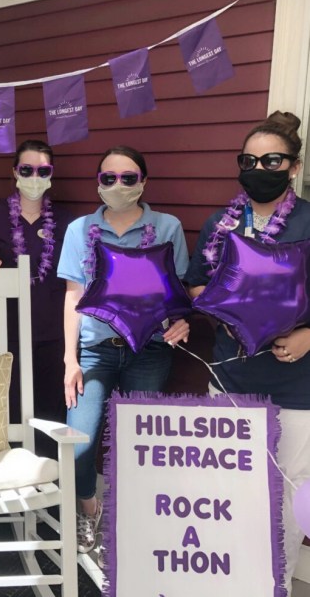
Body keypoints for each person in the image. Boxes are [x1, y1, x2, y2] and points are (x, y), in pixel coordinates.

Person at [185, 111, 310, 595]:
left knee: (292, 485)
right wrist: (227, 313)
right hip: (230, 375)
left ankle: (274, 580)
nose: (260, 168)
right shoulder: (221, 222)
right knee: (229, 482)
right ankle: (230, 577)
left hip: (295, 379)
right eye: (249, 160)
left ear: (292, 167)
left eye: (272, 160)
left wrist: (307, 337)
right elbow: (196, 284)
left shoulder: (308, 218)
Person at [57, 145, 190, 556]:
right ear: (98, 183)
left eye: (128, 178)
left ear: (143, 182)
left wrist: (185, 321)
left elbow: (176, 290)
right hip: (95, 350)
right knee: (78, 443)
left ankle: (129, 525)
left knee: (136, 444)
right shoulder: (80, 230)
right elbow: (73, 295)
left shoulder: (167, 227)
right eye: (108, 178)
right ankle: (88, 508)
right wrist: (70, 359)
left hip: (149, 349)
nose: (118, 185)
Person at [0, 139, 71, 433]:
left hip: (52, 332)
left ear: (51, 174)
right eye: (26, 170)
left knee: (51, 412)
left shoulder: (66, 220)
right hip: (6, 331)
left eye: (43, 170)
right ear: (15, 172)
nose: (34, 177)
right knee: (9, 411)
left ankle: (49, 474)